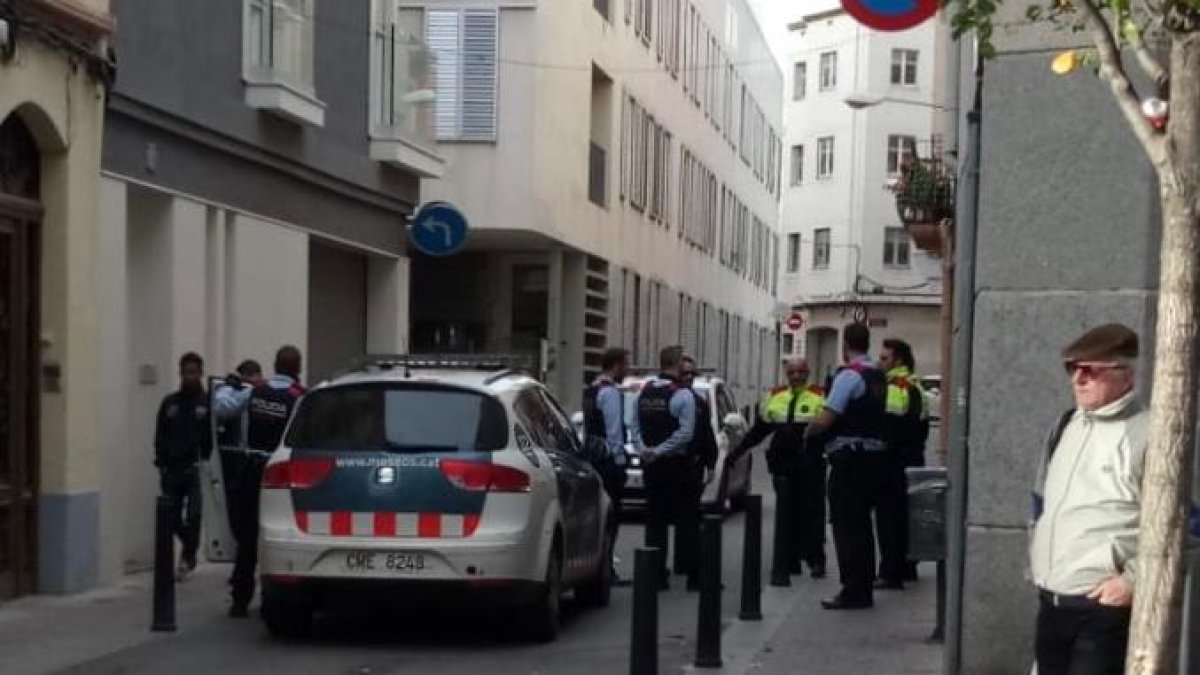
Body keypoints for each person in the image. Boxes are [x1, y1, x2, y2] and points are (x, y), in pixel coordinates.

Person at [1030, 324, 1146, 675]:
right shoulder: (1065, 424)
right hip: (1051, 601)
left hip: (1102, 609)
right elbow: (1040, 502)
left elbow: (1188, 523)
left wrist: (1133, 580)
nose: (1078, 379)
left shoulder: (1150, 431)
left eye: (1091, 370)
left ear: (1125, 376)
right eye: (1072, 369)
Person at [214, 345, 306, 618]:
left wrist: (228, 385)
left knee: (248, 536)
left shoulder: (255, 391)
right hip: (282, 472)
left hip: (252, 468)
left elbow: (221, 408)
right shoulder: (300, 397)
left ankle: (240, 599)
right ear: (297, 368)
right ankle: (272, 598)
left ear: (275, 365)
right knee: (279, 534)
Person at [805, 323, 889, 610]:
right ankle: (863, 587)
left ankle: (852, 589)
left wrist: (810, 431)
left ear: (845, 346)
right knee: (863, 525)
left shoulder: (849, 376)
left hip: (850, 459)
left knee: (846, 525)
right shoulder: (879, 375)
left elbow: (828, 417)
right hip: (874, 457)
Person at [728, 357, 827, 585]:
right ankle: (789, 560)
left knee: (812, 513)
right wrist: (737, 453)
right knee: (787, 512)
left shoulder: (820, 395)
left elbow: (829, 429)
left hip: (810, 465)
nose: (796, 377)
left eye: (800, 372)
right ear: (787, 374)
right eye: (792, 372)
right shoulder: (775, 396)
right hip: (782, 465)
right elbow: (759, 431)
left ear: (808, 373)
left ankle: (815, 560)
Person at [630, 345, 697, 591]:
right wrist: (659, 451)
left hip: (651, 466)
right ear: (678, 364)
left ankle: (656, 573)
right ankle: (692, 574)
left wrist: (644, 449)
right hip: (676, 465)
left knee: (655, 520)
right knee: (686, 519)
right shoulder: (683, 395)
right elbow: (685, 434)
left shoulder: (644, 392)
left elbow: (633, 425)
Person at [154, 352, 212, 581]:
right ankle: (189, 546)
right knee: (172, 516)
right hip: (171, 468)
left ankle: (188, 556)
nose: (189, 376)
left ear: (200, 373)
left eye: (194, 372)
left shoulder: (206, 403)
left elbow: (211, 435)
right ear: (180, 373)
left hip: (195, 468)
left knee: (195, 514)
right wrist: (161, 462)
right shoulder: (170, 403)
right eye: (186, 372)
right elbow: (160, 434)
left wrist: (206, 460)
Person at [875, 338, 928, 588]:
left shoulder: (895, 387)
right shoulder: (916, 383)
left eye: (885, 358)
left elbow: (889, 426)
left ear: (898, 360)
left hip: (894, 460)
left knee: (889, 519)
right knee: (907, 517)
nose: (880, 362)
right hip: (914, 457)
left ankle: (890, 572)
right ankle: (908, 567)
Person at [581, 347, 630, 584]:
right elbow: (614, 433)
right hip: (608, 461)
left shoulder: (590, 390)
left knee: (597, 514)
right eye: (626, 365)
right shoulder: (609, 393)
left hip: (592, 457)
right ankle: (606, 566)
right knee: (612, 516)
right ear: (617, 365)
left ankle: (599, 563)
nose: (627, 370)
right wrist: (620, 462)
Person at [674, 355, 718, 577]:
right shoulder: (671, 398)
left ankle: (686, 562)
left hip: (693, 466)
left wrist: (711, 462)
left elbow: (707, 434)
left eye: (692, 373)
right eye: (685, 373)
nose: (689, 377)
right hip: (672, 466)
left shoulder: (700, 402)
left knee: (690, 516)